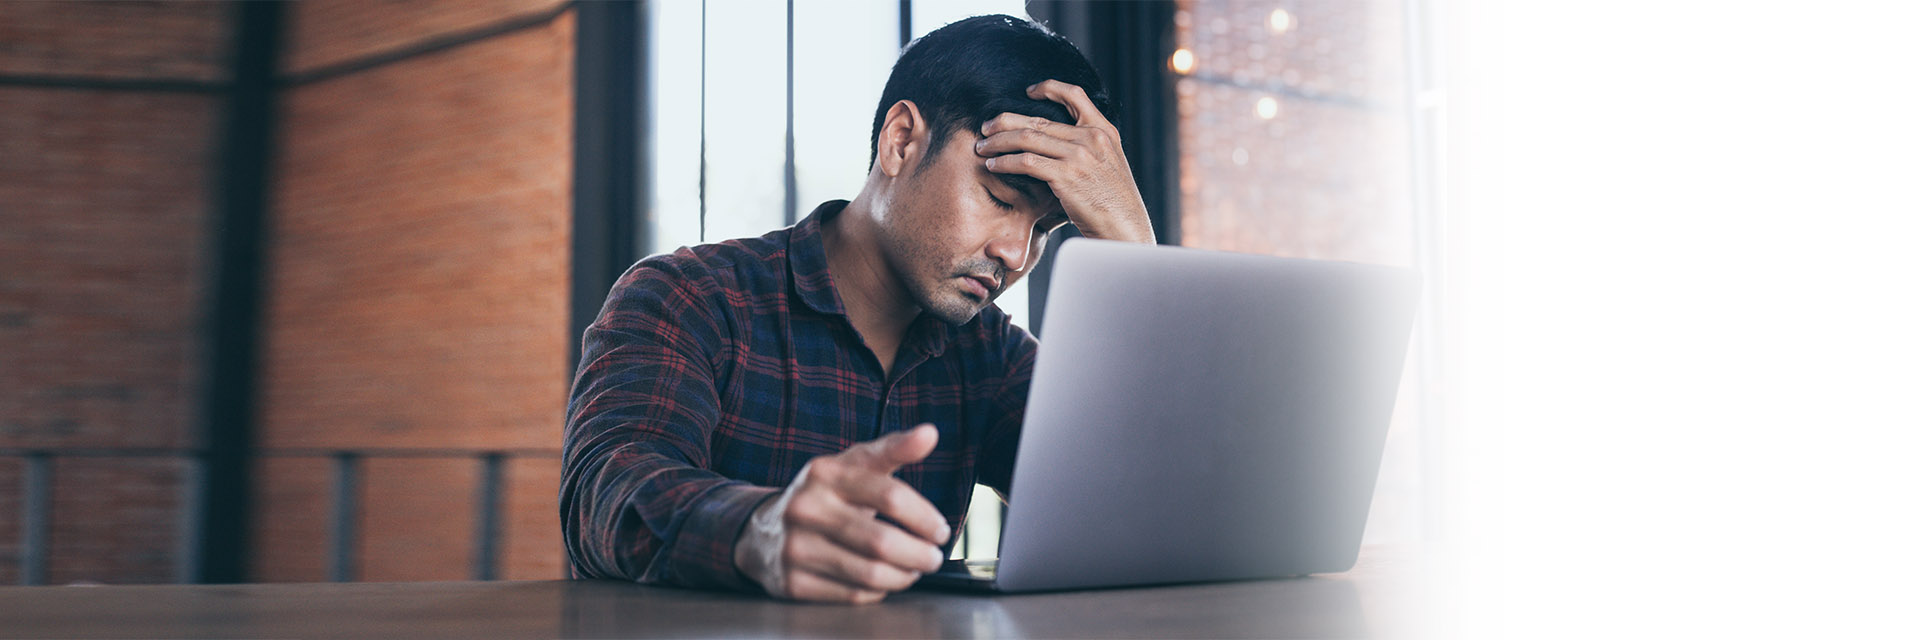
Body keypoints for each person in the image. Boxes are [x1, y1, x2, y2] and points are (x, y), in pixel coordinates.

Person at [561, 14, 1154, 604]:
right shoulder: (690, 297)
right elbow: (607, 492)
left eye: (1046, 230)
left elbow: (1120, 510)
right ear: (900, 142)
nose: (1015, 253)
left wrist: (1133, 256)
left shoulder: (991, 353)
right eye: (1000, 198)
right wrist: (758, 530)